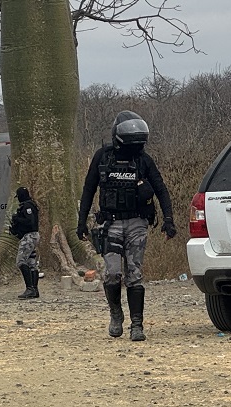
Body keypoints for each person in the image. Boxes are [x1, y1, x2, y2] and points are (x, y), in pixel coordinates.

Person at [77, 110, 177, 341]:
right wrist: (82, 221)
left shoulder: (143, 160)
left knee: (135, 273)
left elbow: (161, 190)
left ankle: (137, 325)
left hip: (137, 223)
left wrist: (168, 220)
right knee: (112, 274)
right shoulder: (103, 157)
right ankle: (115, 314)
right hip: (110, 223)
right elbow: (89, 189)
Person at [10, 186, 40, 299]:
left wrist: (17, 219)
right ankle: (35, 289)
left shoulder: (27, 206)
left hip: (29, 236)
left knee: (21, 261)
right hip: (33, 235)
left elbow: (29, 221)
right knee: (31, 262)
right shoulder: (31, 204)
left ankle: (30, 288)